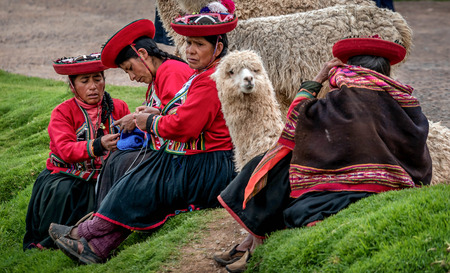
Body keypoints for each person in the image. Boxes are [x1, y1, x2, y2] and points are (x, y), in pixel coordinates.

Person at [213, 35, 432, 273]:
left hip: (345, 190)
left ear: (348, 68)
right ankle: (250, 244)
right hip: (397, 182)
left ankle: (255, 246)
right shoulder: (404, 99)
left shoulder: (343, 99)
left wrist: (318, 79)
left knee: (274, 165)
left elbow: (296, 121)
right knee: (282, 163)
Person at [48, 1, 239, 265]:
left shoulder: (206, 80)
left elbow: (184, 127)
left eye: (200, 45)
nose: (190, 51)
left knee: (143, 180)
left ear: (218, 47)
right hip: (201, 159)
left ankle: (84, 231)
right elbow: (182, 116)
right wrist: (154, 115)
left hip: (208, 165)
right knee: (142, 179)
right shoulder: (203, 74)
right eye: (188, 43)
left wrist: (147, 122)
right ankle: (96, 248)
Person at [23, 53, 130, 250]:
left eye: (97, 79)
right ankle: (47, 241)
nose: (92, 86)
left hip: (104, 175)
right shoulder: (62, 112)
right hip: (66, 174)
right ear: (73, 86)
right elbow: (65, 150)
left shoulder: (119, 107)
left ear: (104, 81)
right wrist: (98, 145)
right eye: (85, 81)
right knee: (64, 191)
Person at [95, 19, 193, 208]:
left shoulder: (170, 72)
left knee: (123, 162)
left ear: (142, 54)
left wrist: (138, 120)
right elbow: (165, 111)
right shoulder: (159, 76)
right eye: (127, 73)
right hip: (169, 150)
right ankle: (101, 215)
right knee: (116, 159)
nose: (132, 77)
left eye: (130, 68)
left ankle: (105, 218)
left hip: (181, 157)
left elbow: (179, 121)